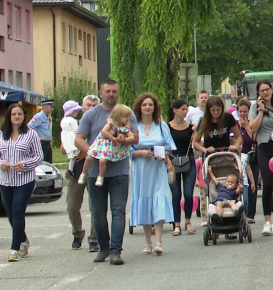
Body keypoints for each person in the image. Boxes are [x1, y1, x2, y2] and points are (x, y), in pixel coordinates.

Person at [75, 79, 140, 265]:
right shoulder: (91, 115)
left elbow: (135, 138)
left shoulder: (126, 113)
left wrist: (123, 140)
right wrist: (93, 152)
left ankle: (115, 251)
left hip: (119, 170)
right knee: (98, 213)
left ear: (118, 93)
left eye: (114, 91)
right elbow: (78, 139)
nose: (111, 94)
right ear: (101, 93)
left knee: (118, 212)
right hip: (96, 171)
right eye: (108, 91)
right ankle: (103, 247)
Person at [0, 103, 43, 262]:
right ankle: (23, 239)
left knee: (17, 211)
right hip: (5, 180)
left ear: (24, 117)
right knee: (10, 214)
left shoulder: (31, 134)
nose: (16, 117)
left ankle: (14, 248)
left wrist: (25, 164)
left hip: (24, 179)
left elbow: (38, 156)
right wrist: (0, 163)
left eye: (19, 114)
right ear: (9, 116)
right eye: (14, 114)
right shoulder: (1, 135)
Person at [130, 93, 176, 256]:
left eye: (150, 104)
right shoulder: (133, 127)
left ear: (155, 107)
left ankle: (158, 241)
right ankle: (147, 242)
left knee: (159, 198)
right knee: (145, 200)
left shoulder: (161, 125)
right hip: (141, 169)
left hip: (157, 168)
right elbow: (128, 150)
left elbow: (169, 147)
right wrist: (141, 153)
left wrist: (161, 153)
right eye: (144, 105)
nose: (147, 107)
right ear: (139, 107)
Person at [64, 95, 99, 251]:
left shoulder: (101, 125)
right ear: (82, 107)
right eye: (88, 105)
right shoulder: (73, 125)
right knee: (72, 206)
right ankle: (77, 232)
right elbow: (63, 146)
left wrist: (85, 152)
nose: (90, 108)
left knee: (95, 206)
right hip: (76, 169)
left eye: (94, 106)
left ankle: (94, 238)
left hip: (94, 168)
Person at [249, 80, 273, 236]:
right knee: (267, 183)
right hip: (264, 146)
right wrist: (261, 111)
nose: (265, 92)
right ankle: (267, 221)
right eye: (262, 90)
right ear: (258, 93)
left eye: (267, 89)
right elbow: (253, 127)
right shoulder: (254, 107)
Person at [77, 105, 135, 186]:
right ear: (118, 116)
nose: (128, 119)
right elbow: (104, 131)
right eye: (125, 116)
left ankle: (100, 176)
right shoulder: (111, 123)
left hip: (110, 148)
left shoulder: (125, 127)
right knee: (89, 157)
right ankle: (84, 173)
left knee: (102, 160)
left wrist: (124, 140)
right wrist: (112, 138)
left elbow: (132, 138)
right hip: (101, 144)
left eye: (128, 116)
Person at [168, 98, 196, 236]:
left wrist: (196, 133)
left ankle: (188, 220)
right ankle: (176, 224)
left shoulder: (191, 127)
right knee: (176, 194)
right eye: (182, 109)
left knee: (188, 193)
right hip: (172, 161)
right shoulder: (167, 127)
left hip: (188, 160)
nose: (185, 112)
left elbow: (195, 144)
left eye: (186, 109)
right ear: (175, 110)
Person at [236, 98, 258, 223]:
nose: (243, 114)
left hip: (251, 156)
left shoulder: (252, 123)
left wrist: (246, 127)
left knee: (251, 184)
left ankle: (250, 213)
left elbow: (254, 139)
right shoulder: (234, 125)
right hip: (238, 157)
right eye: (241, 111)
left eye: (245, 111)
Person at [27, 98, 54, 163]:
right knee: (42, 163)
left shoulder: (47, 117)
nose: (52, 108)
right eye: (51, 106)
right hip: (41, 144)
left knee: (49, 163)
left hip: (47, 144)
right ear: (45, 106)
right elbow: (29, 127)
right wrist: (37, 138)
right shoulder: (38, 116)